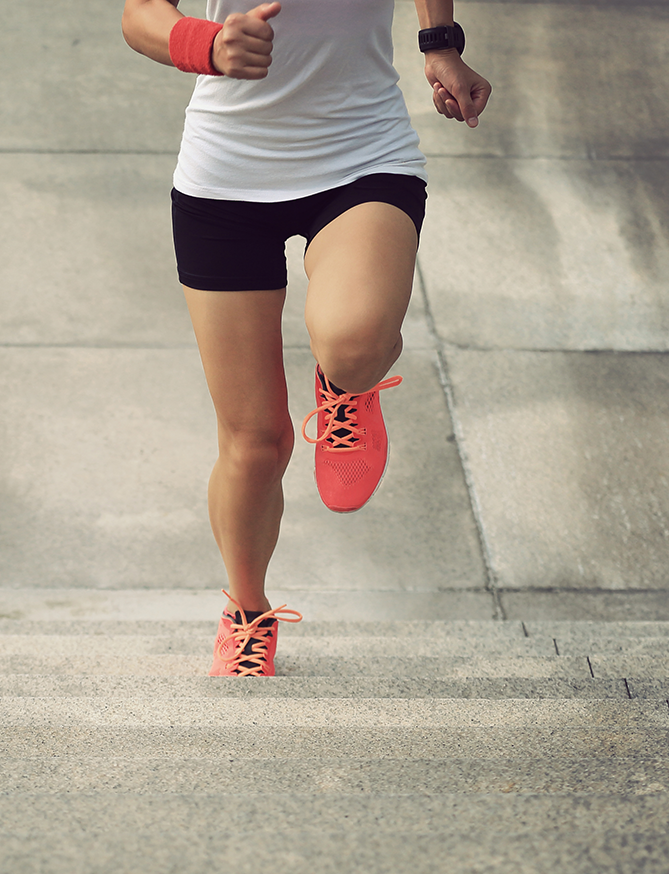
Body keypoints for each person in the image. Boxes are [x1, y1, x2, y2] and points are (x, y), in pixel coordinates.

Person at [121, 0, 491, 675]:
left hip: (361, 155)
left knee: (353, 343)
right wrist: (205, 44)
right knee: (256, 443)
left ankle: (347, 383)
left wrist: (439, 42)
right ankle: (246, 614)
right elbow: (139, 14)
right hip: (224, 178)